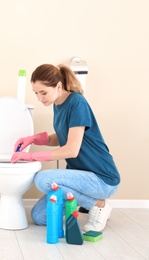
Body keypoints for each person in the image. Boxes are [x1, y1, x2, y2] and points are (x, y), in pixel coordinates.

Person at [11, 64, 120, 232]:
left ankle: (98, 205)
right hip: (80, 177)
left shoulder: (77, 103)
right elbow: (60, 137)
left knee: (42, 179)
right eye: (36, 93)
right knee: (39, 217)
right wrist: (32, 139)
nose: (40, 98)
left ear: (59, 86)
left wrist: (31, 157)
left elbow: (71, 150)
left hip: (102, 179)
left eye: (43, 92)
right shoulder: (57, 103)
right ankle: (81, 200)